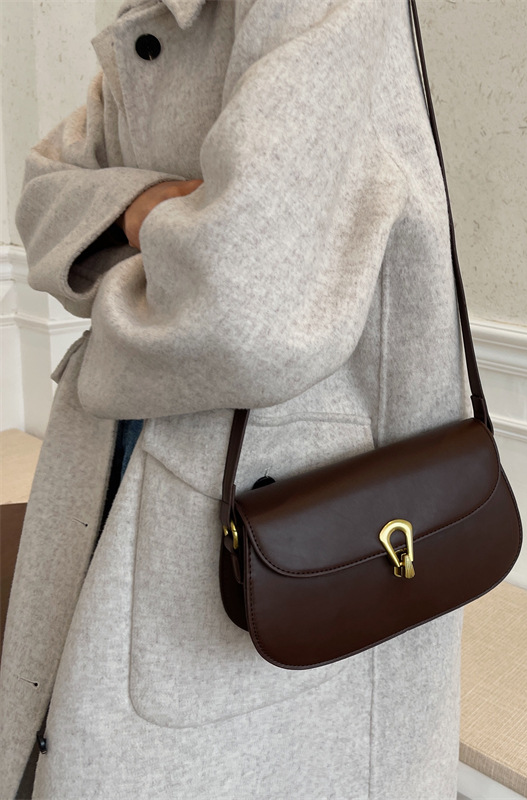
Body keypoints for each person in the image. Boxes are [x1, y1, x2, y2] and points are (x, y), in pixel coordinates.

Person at [0, 0, 469, 797]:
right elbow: (42, 196)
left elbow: (244, 309)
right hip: (137, 470)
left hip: (290, 506)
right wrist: (148, 208)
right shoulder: (161, 15)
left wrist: (125, 241)